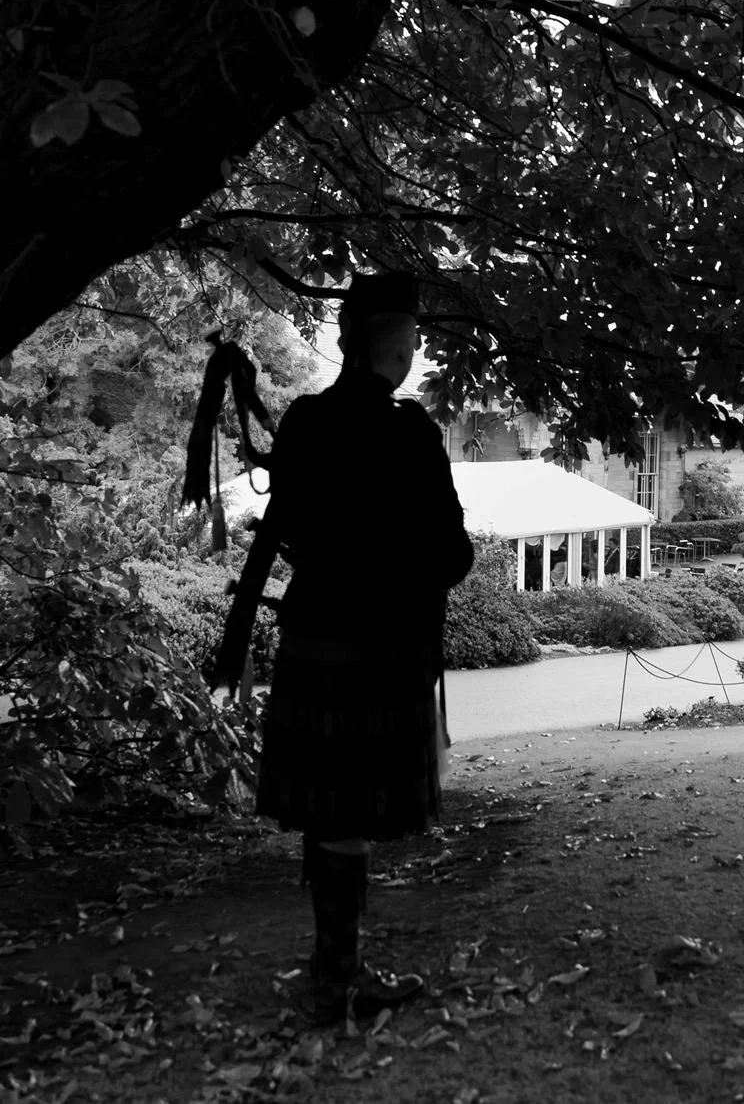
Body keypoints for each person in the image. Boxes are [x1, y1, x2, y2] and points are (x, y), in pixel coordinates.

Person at [243, 272, 473, 1022]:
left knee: (330, 814)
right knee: (346, 817)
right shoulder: (410, 433)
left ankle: (332, 968)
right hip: (381, 653)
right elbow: (451, 555)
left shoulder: (305, 421)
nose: (415, 351)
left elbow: (288, 528)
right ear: (398, 346)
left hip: (312, 640)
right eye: (414, 339)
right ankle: (337, 981)